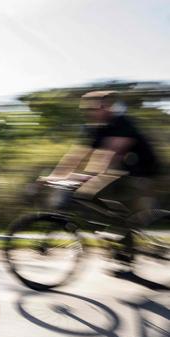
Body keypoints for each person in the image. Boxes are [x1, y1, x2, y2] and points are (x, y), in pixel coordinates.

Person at [41, 90, 160, 263]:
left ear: (106, 107)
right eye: (85, 110)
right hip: (122, 171)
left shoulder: (122, 123)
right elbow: (76, 154)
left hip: (142, 173)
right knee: (90, 197)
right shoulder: (95, 129)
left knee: (90, 195)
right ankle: (120, 243)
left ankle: (122, 240)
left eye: (92, 109)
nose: (88, 113)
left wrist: (85, 176)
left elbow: (110, 155)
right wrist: (55, 176)